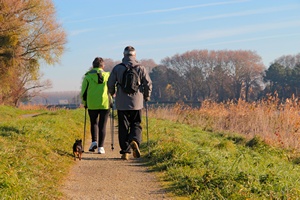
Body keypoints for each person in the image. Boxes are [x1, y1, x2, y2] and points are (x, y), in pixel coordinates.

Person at [108, 46, 152, 160]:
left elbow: (110, 83)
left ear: (124, 55)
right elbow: (148, 84)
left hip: (122, 102)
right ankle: (134, 140)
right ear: (134, 55)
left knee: (123, 126)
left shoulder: (117, 68)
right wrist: (146, 97)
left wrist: (112, 93)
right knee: (136, 123)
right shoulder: (141, 68)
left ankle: (125, 152)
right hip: (137, 102)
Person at [81, 57, 111, 154]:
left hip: (92, 103)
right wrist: (112, 100)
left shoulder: (88, 76)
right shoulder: (108, 76)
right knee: (102, 125)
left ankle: (94, 142)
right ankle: (101, 147)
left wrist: (85, 103)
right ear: (103, 66)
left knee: (93, 123)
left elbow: (83, 92)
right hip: (105, 103)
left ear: (93, 66)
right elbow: (112, 89)